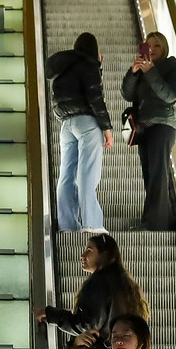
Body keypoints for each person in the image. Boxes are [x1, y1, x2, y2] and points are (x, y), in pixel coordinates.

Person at [121, 31, 176, 231]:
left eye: (157, 45)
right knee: (150, 173)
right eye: (148, 45)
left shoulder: (172, 66)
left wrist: (150, 71)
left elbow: (170, 95)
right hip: (142, 127)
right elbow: (127, 93)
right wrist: (133, 72)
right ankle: (163, 220)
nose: (152, 49)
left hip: (162, 125)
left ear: (164, 48)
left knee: (158, 173)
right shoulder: (141, 69)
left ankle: (153, 223)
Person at [48, 32, 112, 232]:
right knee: (87, 173)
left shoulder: (63, 67)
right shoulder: (88, 64)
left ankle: (67, 224)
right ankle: (91, 223)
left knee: (67, 175)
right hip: (87, 123)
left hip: (67, 125)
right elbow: (95, 97)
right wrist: (107, 128)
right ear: (94, 50)